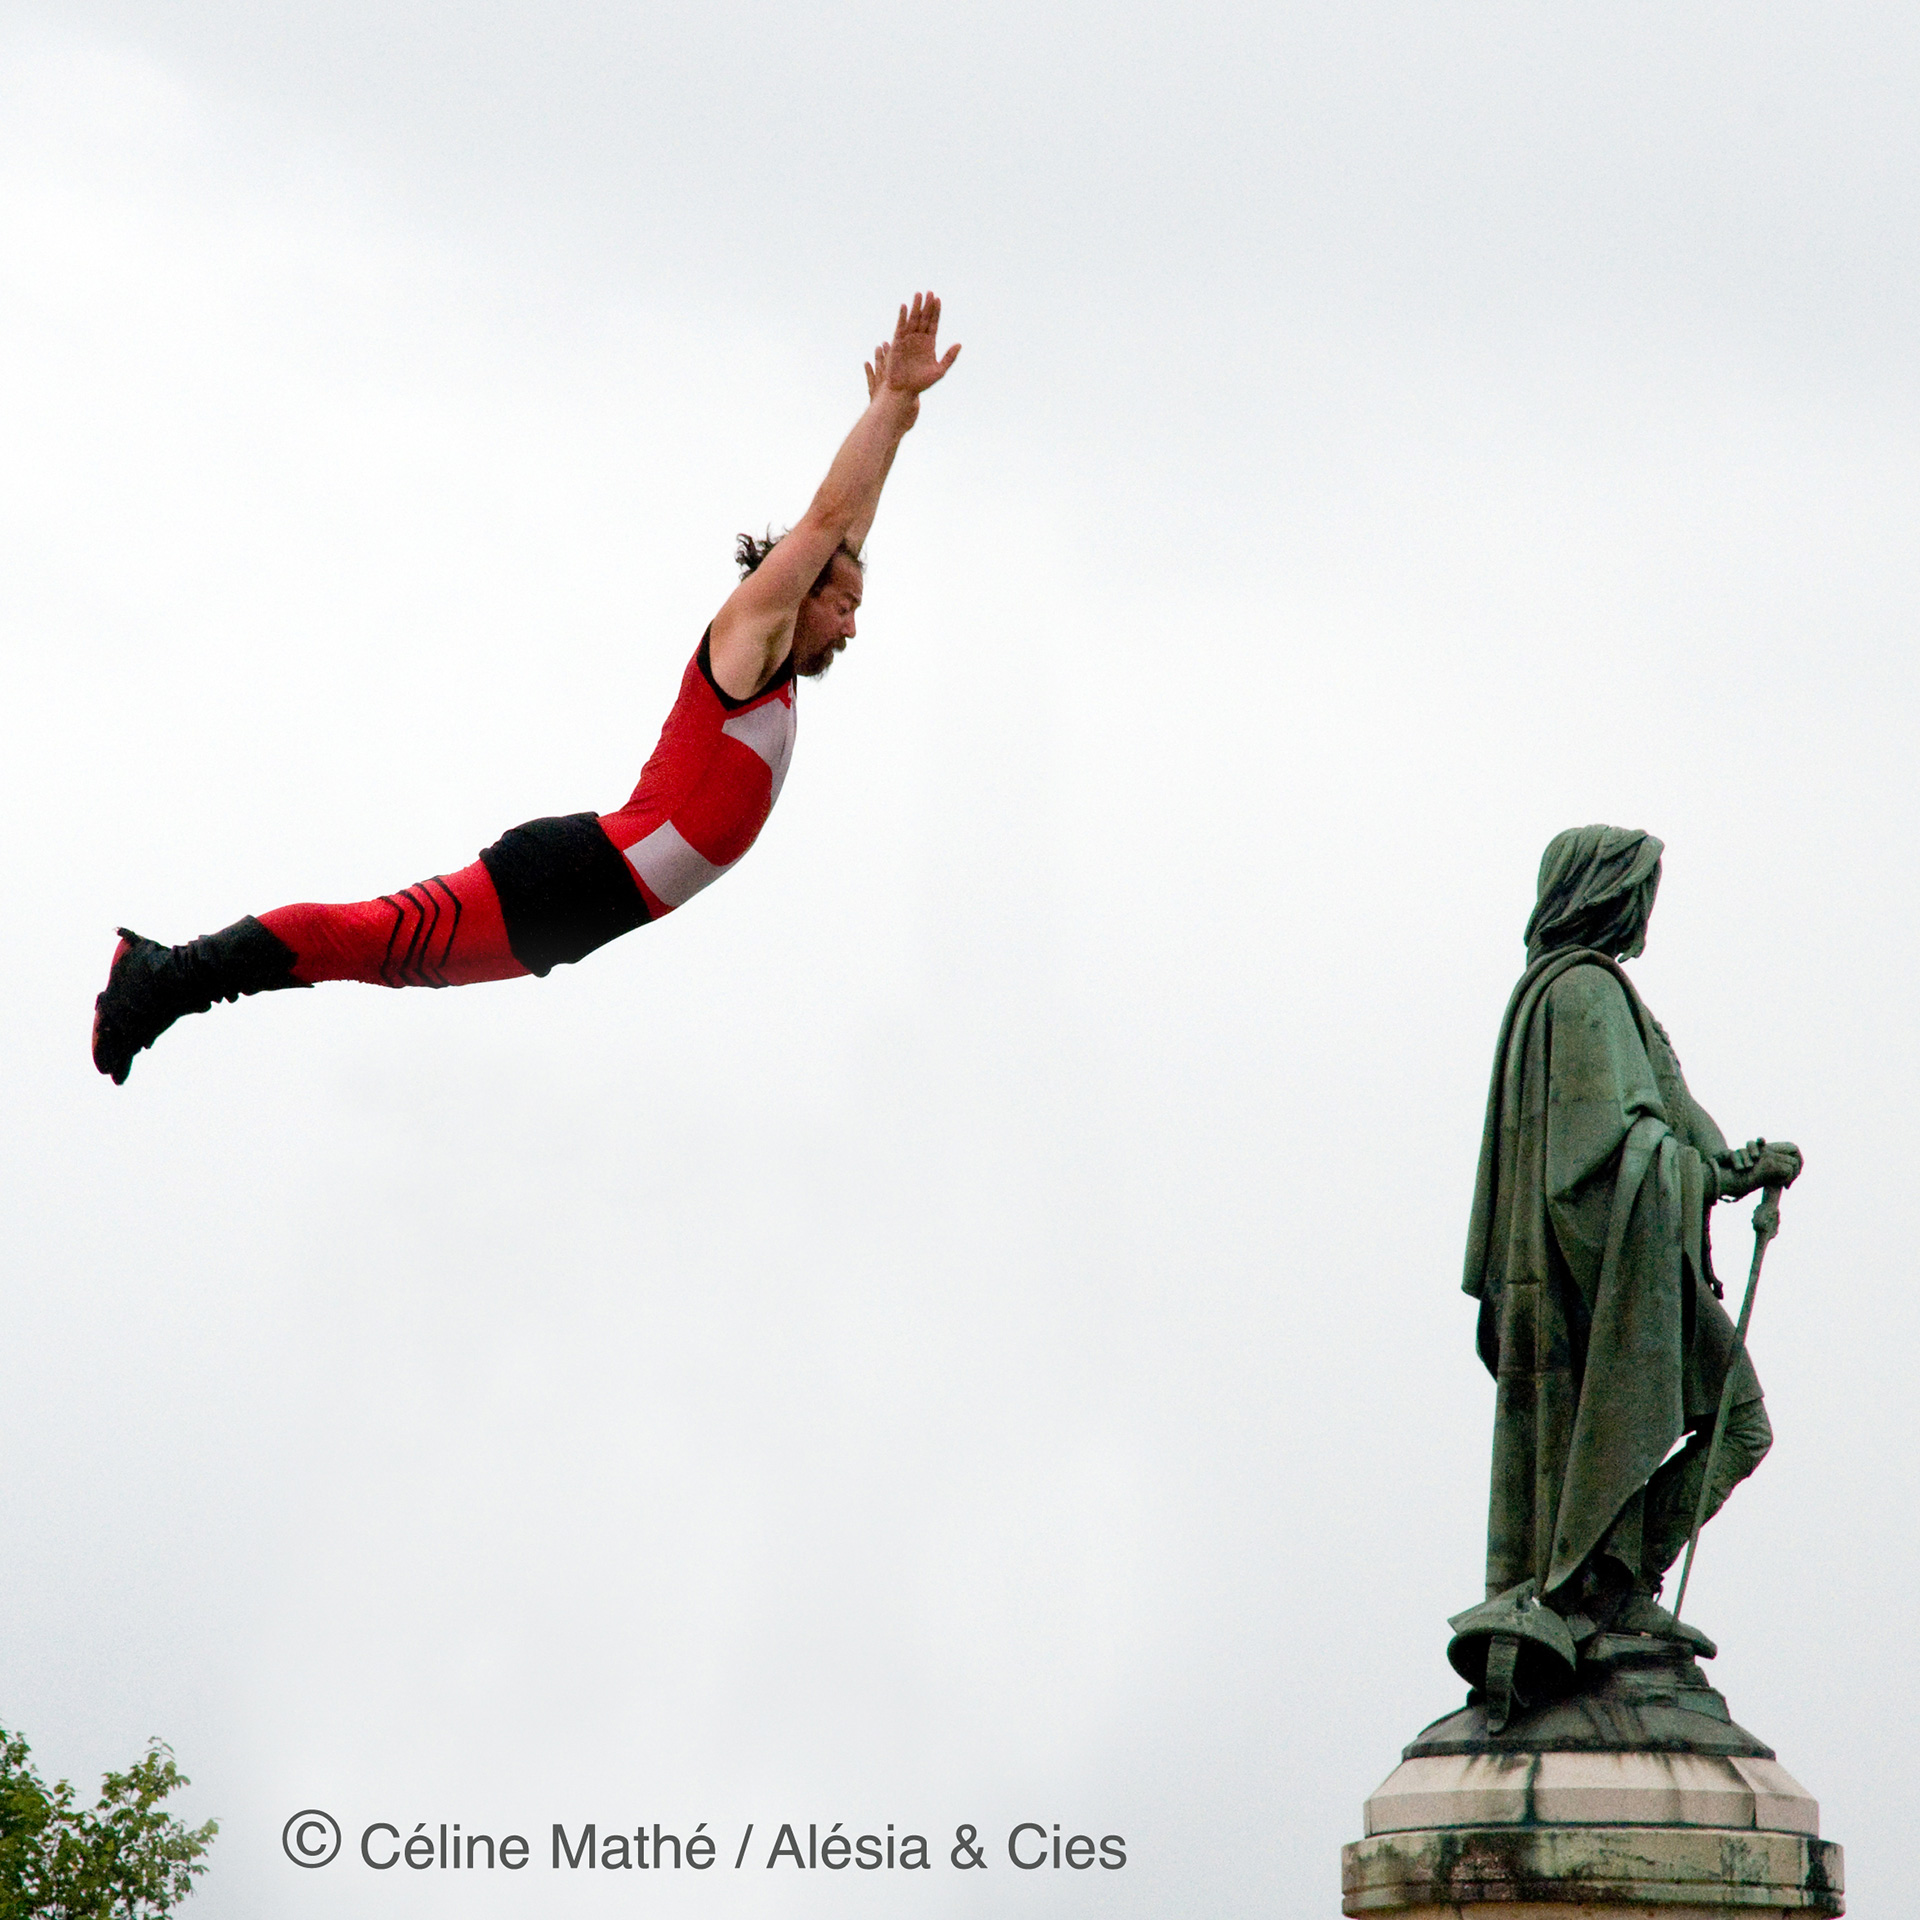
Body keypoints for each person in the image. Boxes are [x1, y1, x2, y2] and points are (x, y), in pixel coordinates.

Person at [92, 294, 961, 1084]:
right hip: (568, 883)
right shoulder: (750, 639)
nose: (851, 626)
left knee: (373, 954)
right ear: (796, 589)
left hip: (577, 912)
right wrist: (886, 404)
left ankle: (165, 982)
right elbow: (826, 524)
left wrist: (895, 418)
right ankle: (160, 977)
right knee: (367, 941)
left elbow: (844, 530)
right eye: (843, 604)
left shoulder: (781, 655)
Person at [1461, 826, 1803, 1646]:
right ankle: (1607, 1585)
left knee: (1734, 1423)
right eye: (1643, 889)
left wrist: (1737, 1163)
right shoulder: (1583, 993)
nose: (1650, 907)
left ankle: (1611, 1579)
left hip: (1619, 1262)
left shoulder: (1596, 995)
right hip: (1602, 1274)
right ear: (1609, 894)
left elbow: (1661, 1122)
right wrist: (1720, 1176)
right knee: (1739, 1421)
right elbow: (1601, 1161)